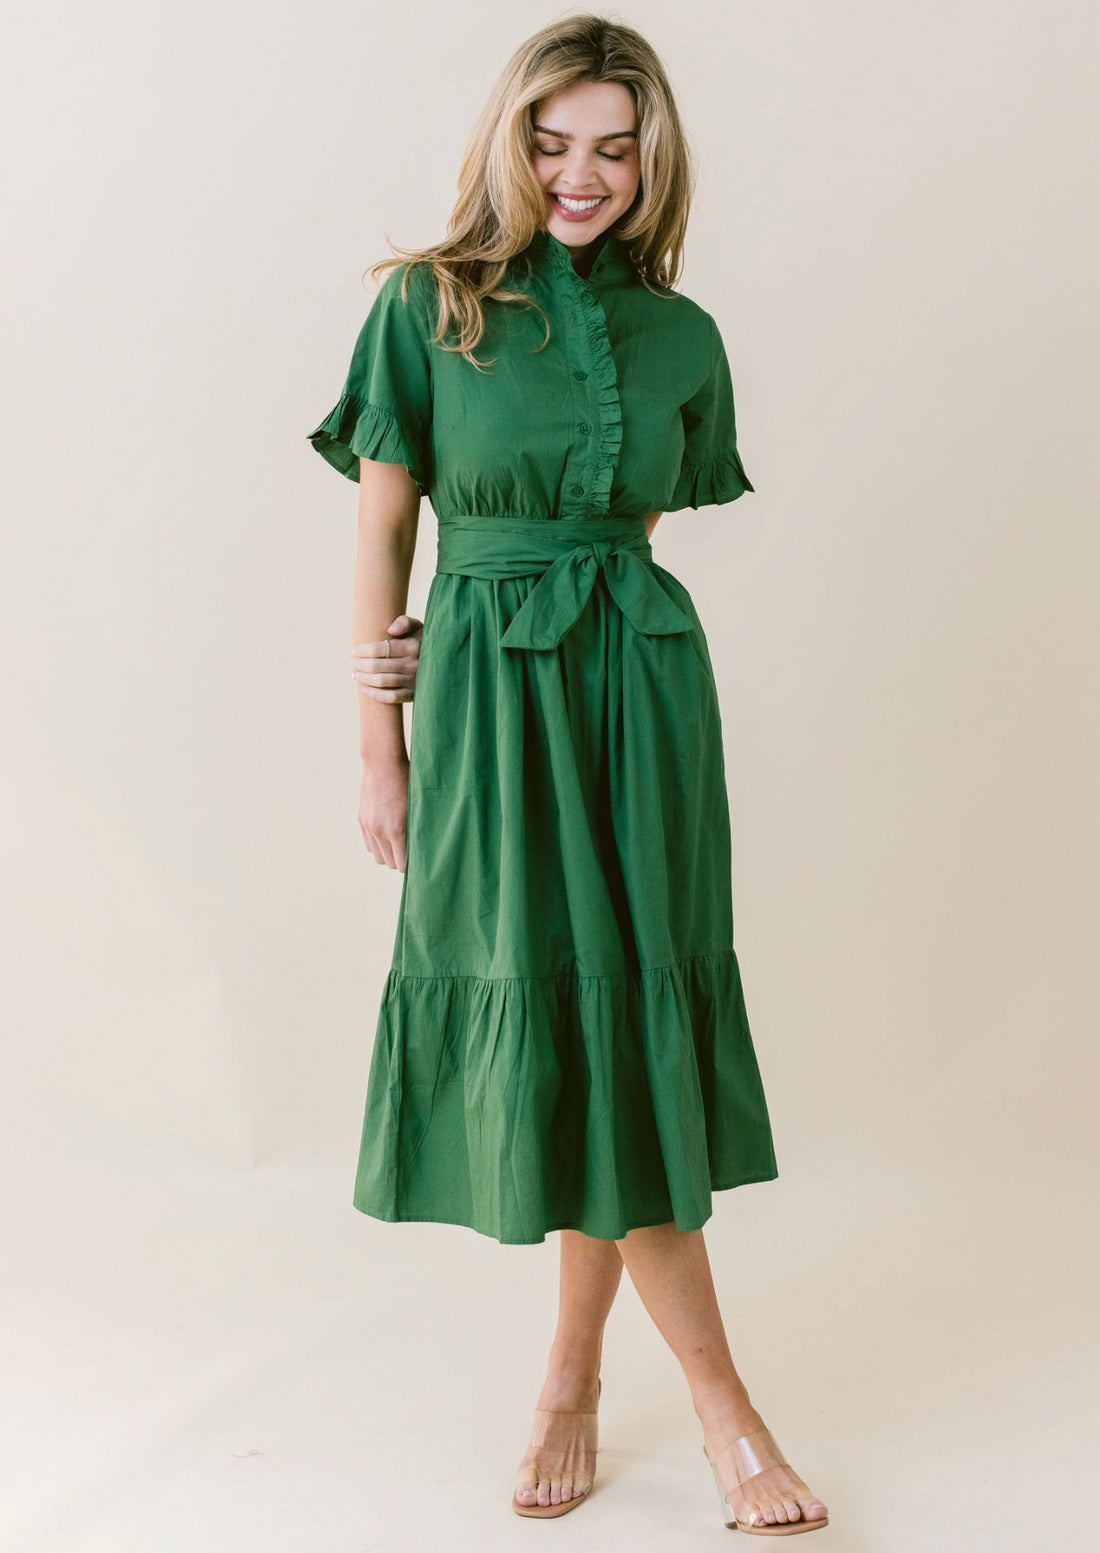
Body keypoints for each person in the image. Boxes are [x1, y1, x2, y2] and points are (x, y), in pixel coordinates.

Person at [307, 13, 829, 1537]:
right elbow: (381, 534)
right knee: (577, 1024)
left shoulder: (685, 337)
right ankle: (714, 1405)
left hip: (642, 689)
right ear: (507, 142)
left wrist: (583, 633)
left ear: (651, 158)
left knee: (627, 1034)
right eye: (551, 142)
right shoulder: (428, 308)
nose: (580, 173)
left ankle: (574, 1380)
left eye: (613, 146)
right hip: (488, 700)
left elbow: (635, 530)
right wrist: (379, 735)